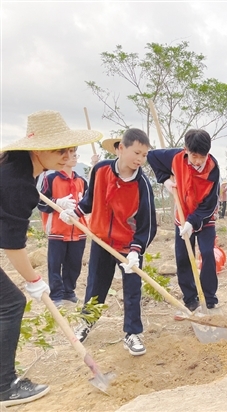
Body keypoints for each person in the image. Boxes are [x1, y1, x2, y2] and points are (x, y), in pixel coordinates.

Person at [0, 110, 101, 407]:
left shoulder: (17, 169)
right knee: (12, 303)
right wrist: (34, 280)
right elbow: (12, 243)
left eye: (69, 149)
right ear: (37, 148)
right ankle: (5, 386)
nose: (66, 155)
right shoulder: (17, 181)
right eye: (59, 149)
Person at [61, 128, 157, 357]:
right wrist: (76, 212)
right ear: (121, 148)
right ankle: (86, 323)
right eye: (137, 152)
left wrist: (136, 251)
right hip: (101, 239)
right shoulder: (101, 170)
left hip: (128, 246)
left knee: (132, 289)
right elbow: (90, 200)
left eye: (144, 155)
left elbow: (148, 224)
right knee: (96, 284)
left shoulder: (142, 184)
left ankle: (132, 333)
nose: (140, 159)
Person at [148, 129, 221, 314]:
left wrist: (193, 221)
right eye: (194, 156)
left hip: (204, 217)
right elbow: (151, 157)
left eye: (202, 157)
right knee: (182, 257)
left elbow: (209, 204)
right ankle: (190, 299)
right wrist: (165, 181)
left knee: (207, 253)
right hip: (181, 215)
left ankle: (210, 298)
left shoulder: (213, 168)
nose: (197, 161)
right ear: (186, 149)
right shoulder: (174, 157)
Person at [37, 147, 88, 307]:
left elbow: (88, 204)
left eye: (75, 154)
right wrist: (57, 202)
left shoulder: (81, 181)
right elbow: (40, 202)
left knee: (74, 264)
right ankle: (56, 295)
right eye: (70, 154)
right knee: (55, 264)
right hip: (57, 230)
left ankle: (69, 292)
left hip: (78, 230)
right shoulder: (50, 178)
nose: (73, 157)